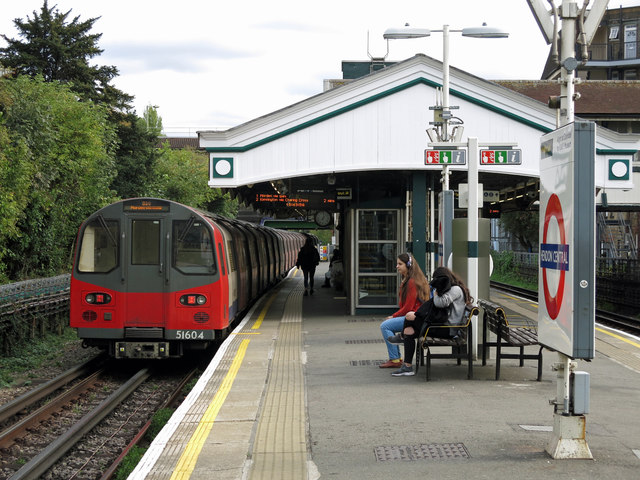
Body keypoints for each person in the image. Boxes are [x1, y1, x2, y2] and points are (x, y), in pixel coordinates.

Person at [389, 266, 473, 377]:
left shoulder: (455, 289)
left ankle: (403, 343)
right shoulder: (451, 288)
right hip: (442, 326)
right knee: (410, 328)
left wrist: (437, 292)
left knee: (409, 320)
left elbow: (441, 303)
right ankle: (407, 364)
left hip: (447, 330)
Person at [379, 253, 430, 368]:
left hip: (414, 318)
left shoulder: (411, 282)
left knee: (385, 326)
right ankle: (396, 357)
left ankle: (395, 359)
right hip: (415, 317)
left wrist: (393, 316)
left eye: (400, 264)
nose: (397, 266)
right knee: (387, 325)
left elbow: (408, 307)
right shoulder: (410, 280)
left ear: (408, 265)